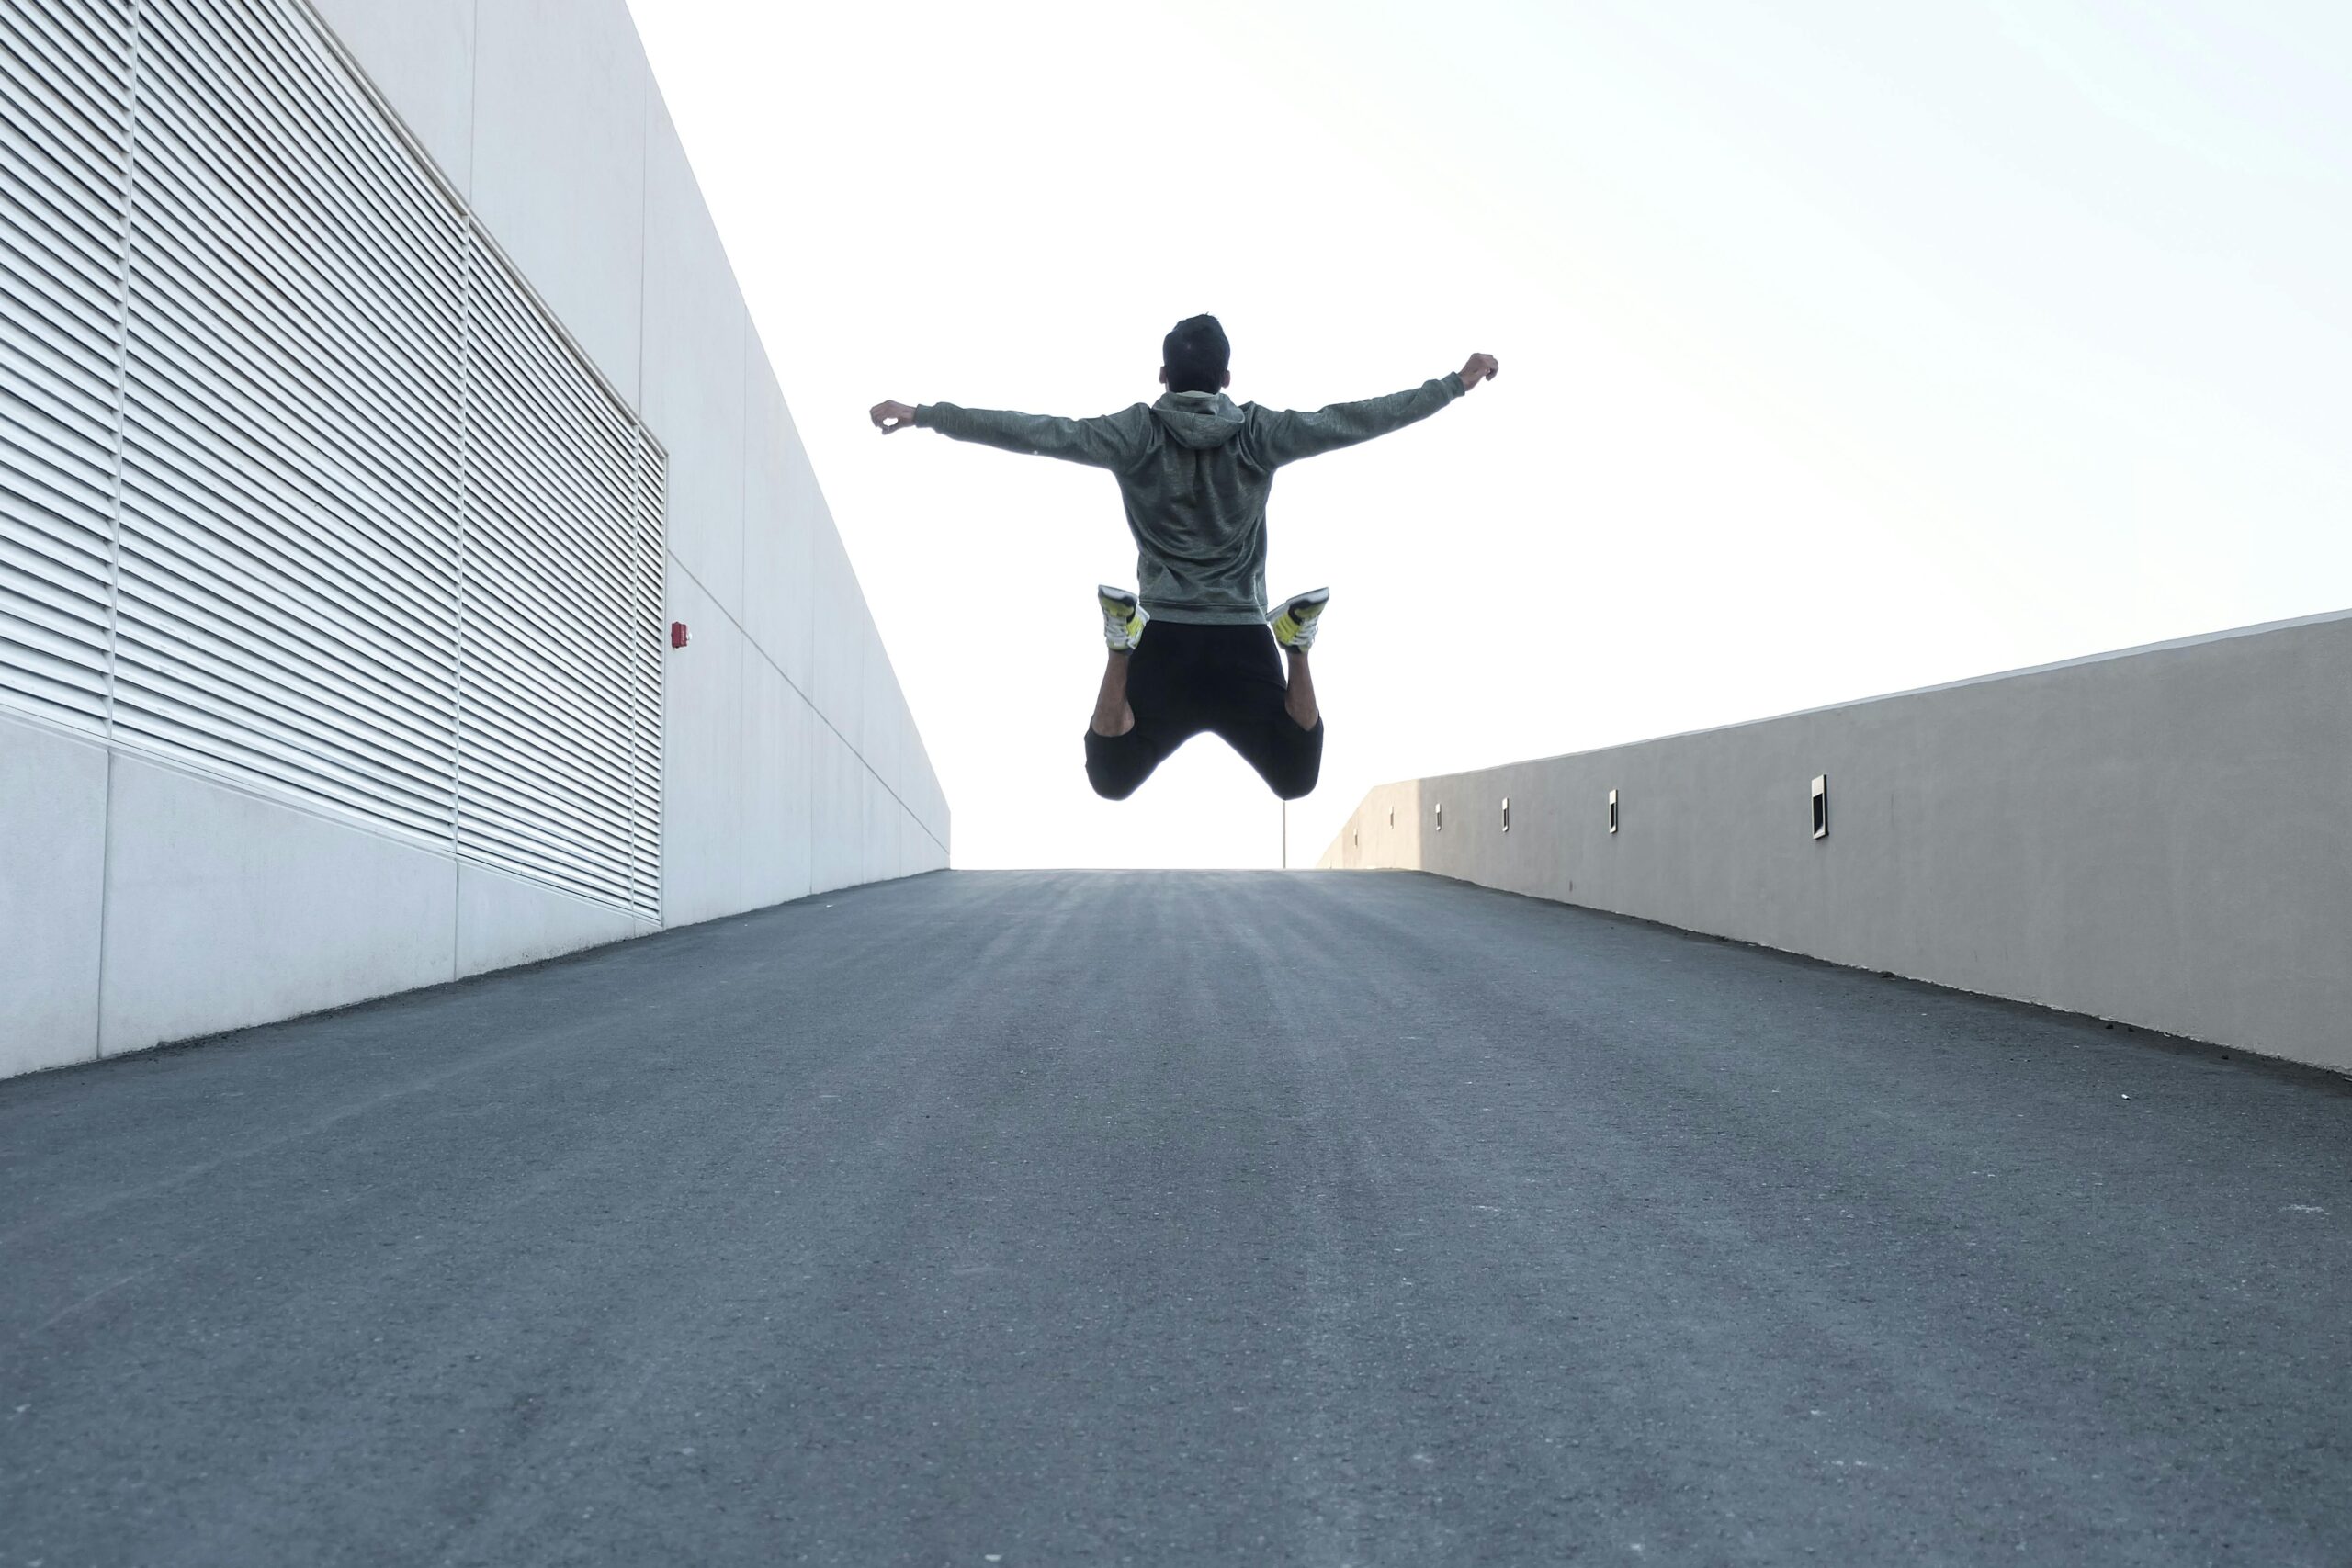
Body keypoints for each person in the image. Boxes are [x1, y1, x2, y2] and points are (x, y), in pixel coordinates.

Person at [869, 315, 1498, 802]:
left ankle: (1121, 644)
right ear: (1227, 378)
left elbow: (1038, 432)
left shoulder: (1135, 432)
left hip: (1163, 636)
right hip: (1242, 636)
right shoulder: (1257, 432)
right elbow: (1354, 420)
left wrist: (925, 415)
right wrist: (1453, 385)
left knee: (1111, 777)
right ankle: (1296, 644)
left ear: (1162, 375)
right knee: (1296, 776)